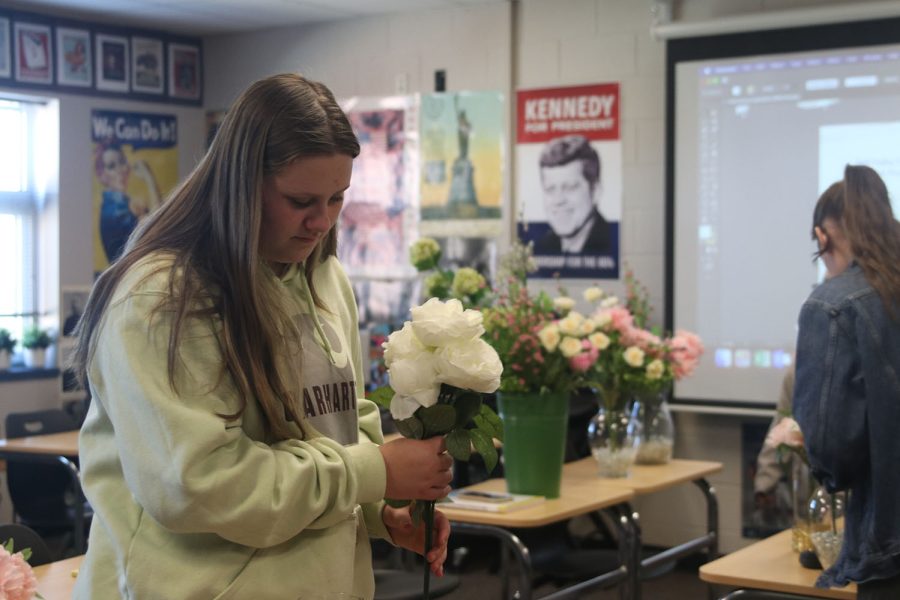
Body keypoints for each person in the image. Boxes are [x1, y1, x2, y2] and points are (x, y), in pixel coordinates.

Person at [70, 73, 453, 599]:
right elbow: (197, 485)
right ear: (241, 185)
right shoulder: (160, 298)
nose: (321, 222)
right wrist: (372, 471)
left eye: (338, 199)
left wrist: (381, 508)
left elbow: (342, 423)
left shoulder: (323, 275)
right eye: (300, 200)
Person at [793, 165, 900, 598]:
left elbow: (832, 442)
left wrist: (832, 474)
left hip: (888, 534)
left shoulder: (833, 304)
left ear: (823, 237)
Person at [536, 134, 611, 255]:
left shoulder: (611, 244)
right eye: (550, 189)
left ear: (595, 192)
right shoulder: (541, 247)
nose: (558, 200)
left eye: (570, 188)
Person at [94, 143, 162, 263]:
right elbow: (157, 228)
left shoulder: (119, 202)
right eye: (111, 166)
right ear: (102, 176)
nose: (120, 169)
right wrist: (149, 179)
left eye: (121, 162)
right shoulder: (114, 210)